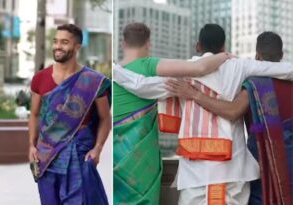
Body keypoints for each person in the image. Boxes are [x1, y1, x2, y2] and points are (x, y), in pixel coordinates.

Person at [114, 24, 293, 204]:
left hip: (195, 173)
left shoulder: (183, 74)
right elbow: (286, 70)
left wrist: (117, 71)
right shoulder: (240, 66)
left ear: (198, 46)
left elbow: (141, 86)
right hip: (234, 170)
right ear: (223, 47)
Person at [166, 31, 293, 205]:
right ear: (282, 55)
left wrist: (193, 94)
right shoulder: (255, 72)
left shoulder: (255, 84)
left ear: (257, 55)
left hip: (263, 163)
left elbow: (233, 111)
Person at [113, 22, 231, 205]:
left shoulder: (114, 74)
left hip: (113, 154)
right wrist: (225, 56)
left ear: (123, 43)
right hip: (140, 162)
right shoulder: (149, 66)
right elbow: (199, 68)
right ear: (148, 44)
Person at [28, 24, 111, 205]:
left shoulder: (93, 81)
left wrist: (98, 148)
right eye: (55, 41)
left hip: (79, 151)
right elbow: (34, 114)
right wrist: (31, 145)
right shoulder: (40, 78)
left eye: (64, 42)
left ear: (77, 47)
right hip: (46, 155)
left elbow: (105, 117)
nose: (58, 46)